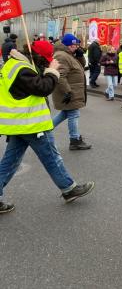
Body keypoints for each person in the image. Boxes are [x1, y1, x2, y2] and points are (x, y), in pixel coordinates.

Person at [0, 47, 94, 214]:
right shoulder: (21, 68)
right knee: (51, 157)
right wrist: (51, 71)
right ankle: (68, 189)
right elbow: (42, 88)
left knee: (9, 162)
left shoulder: (12, 65)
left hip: (19, 123)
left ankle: (68, 188)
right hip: (30, 123)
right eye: (44, 60)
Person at [52, 34, 92, 151]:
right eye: (74, 45)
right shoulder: (62, 56)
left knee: (65, 114)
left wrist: (80, 55)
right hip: (70, 91)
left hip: (73, 90)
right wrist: (67, 92)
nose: (77, 47)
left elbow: (81, 66)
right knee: (74, 114)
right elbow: (61, 76)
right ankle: (74, 140)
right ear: (68, 45)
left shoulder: (68, 55)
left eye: (77, 45)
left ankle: (45, 130)